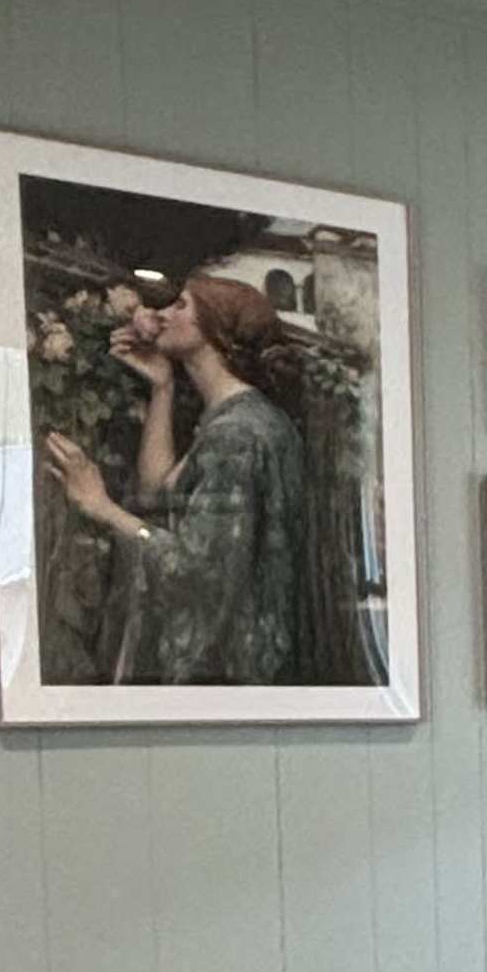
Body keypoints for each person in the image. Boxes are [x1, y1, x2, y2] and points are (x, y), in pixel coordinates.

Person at [40, 271, 371, 687]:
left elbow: (195, 570)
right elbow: (156, 494)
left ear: (213, 329)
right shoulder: (239, 420)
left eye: (180, 306)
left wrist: (102, 507)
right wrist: (162, 388)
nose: (161, 315)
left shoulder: (237, 435)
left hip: (227, 669)